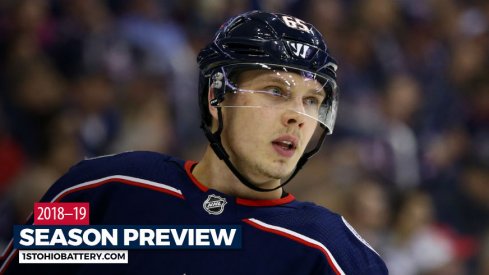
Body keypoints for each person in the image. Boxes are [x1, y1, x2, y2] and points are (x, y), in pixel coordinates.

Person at [0, 10, 388, 274]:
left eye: (312, 101)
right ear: (215, 98)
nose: (297, 116)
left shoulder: (335, 256)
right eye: (275, 91)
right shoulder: (95, 190)